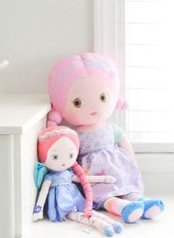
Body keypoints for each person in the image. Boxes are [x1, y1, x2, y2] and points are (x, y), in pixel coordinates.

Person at [46, 53, 164, 223]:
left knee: (127, 185)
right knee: (103, 195)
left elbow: (124, 142)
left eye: (102, 97)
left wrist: (133, 161)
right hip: (93, 172)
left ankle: (141, 202)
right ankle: (121, 207)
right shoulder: (74, 136)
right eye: (78, 102)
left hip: (118, 166)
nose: (94, 108)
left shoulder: (112, 128)